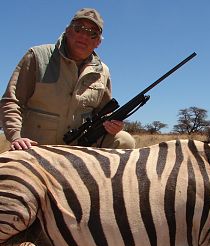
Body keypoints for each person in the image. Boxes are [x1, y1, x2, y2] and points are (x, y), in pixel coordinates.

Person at [0, 8, 135, 150]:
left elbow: (104, 113)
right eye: (79, 29)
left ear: (98, 43)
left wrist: (113, 124)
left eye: (92, 33)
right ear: (68, 31)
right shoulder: (37, 56)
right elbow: (11, 100)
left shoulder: (103, 72)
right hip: (35, 147)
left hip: (79, 147)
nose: (84, 36)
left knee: (124, 141)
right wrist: (16, 137)